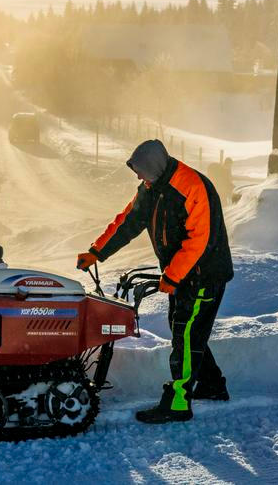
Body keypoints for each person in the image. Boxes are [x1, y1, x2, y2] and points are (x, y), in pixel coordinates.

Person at [76, 139, 234, 424]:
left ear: (154, 167)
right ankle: (211, 384)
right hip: (183, 274)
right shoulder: (152, 187)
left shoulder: (192, 187)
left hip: (204, 275)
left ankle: (178, 401)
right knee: (185, 329)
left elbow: (200, 241)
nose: (138, 176)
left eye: (140, 171)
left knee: (186, 334)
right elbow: (128, 221)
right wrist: (97, 252)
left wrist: (173, 276)